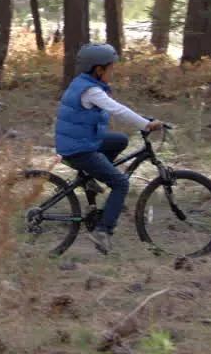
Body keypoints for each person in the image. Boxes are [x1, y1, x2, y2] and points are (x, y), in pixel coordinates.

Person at [55, 43, 165, 254]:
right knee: (121, 184)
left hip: (82, 140)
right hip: (80, 148)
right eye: (111, 68)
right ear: (98, 69)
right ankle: (102, 231)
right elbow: (118, 110)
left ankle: (89, 177)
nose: (113, 72)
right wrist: (146, 125)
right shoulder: (91, 91)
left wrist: (145, 120)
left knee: (120, 140)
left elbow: (117, 110)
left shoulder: (83, 83)